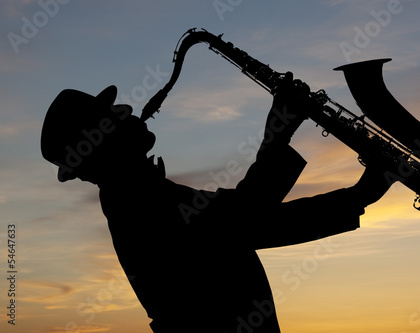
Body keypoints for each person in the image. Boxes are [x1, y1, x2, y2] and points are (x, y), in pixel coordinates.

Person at [40, 72, 393, 332]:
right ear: (101, 145)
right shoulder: (141, 202)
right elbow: (247, 219)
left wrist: (358, 196)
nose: (128, 114)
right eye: (112, 119)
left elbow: (247, 222)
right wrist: (280, 132)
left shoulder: (137, 196)